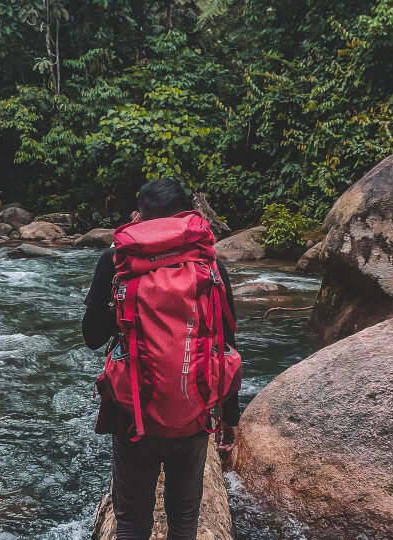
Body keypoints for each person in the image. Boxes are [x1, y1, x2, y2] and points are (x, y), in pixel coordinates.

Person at [82, 178, 241, 540]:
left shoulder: (116, 259)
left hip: (133, 414)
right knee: (185, 521)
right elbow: (225, 344)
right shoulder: (209, 264)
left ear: (140, 216)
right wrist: (229, 416)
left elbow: (92, 338)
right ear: (189, 216)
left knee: (133, 523)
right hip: (195, 412)